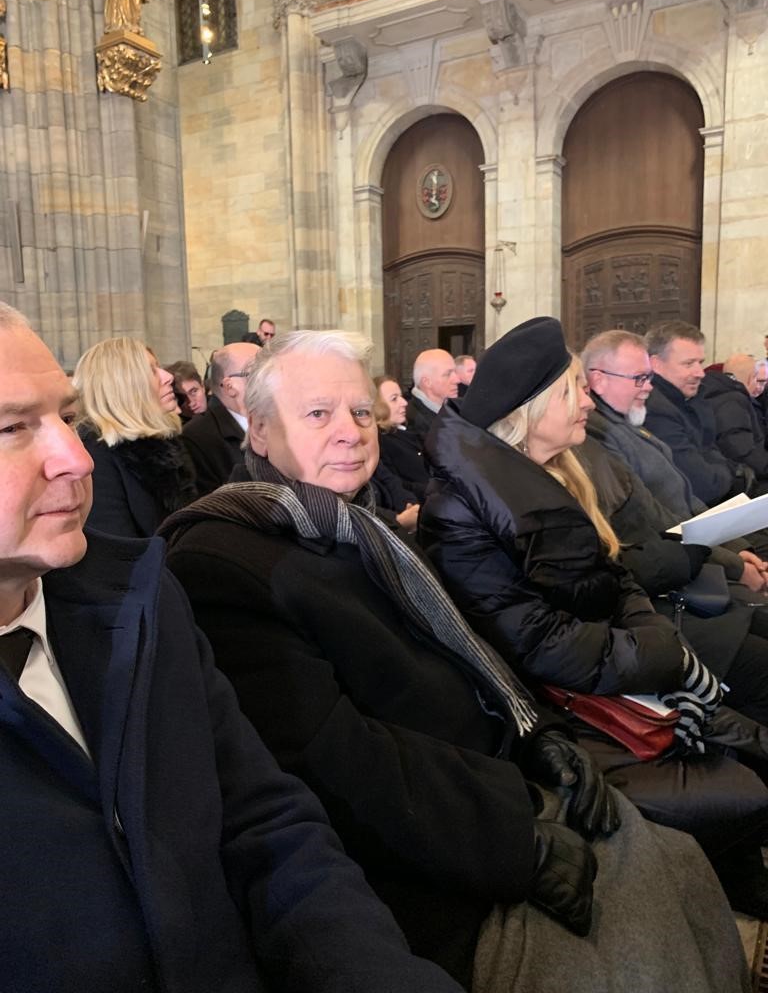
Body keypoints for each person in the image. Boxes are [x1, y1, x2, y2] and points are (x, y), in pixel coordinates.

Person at [163, 330, 751, 992]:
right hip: (423, 863)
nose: (350, 432)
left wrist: (540, 737)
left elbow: (467, 653)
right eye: (319, 414)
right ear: (262, 430)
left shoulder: (363, 527)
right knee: (640, 925)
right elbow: (335, 763)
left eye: (361, 412)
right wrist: (515, 841)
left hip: (487, 779)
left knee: (677, 865)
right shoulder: (223, 559)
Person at [0, 303, 465, 993]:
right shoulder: (217, 561)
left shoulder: (141, 597)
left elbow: (264, 819)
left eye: (68, 417)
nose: (75, 456)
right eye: (12, 428)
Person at [418, 316, 768, 915]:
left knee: (749, 737)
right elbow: (538, 644)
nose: (587, 402)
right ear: (532, 409)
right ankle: (726, 882)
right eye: (574, 390)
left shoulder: (551, 473)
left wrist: (652, 639)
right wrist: (657, 651)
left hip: (616, 657)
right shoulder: (464, 509)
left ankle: (732, 872)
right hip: (565, 700)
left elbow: (615, 575)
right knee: (744, 766)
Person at [582, 329, 768, 588]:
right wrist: (735, 565)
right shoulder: (599, 433)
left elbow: (687, 498)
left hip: (696, 551)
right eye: (639, 378)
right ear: (599, 379)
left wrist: (737, 549)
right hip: (677, 561)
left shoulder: (629, 421)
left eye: (648, 377)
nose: (649, 387)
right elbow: (651, 517)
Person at [74, 337, 196, 538]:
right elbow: (117, 548)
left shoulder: (163, 442)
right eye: (152, 370)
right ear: (121, 386)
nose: (168, 377)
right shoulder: (96, 459)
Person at [643, 321, 758, 505]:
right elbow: (702, 485)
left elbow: (711, 452)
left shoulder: (694, 398)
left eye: (700, 363)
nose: (700, 373)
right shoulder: (655, 410)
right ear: (656, 364)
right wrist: (734, 474)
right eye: (688, 364)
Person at [181, 343, 256, 496]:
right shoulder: (196, 438)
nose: (270, 380)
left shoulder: (276, 419)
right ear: (229, 386)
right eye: (257, 373)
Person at [701, 353, 768, 479]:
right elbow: (743, 452)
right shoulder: (733, 401)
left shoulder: (715, 394)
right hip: (744, 479)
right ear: (752, 377)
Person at [372, 374, 427, 513]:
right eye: (394, 399)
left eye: (401, 396)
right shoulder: (381, 441)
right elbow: (397, 484)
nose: (404, 402)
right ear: (377, 407)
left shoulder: (407, 431)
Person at [407, 348, 459, 440]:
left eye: (455, 372)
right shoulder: (416, 423)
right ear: (427, 382)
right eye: (447, 374)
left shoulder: (451, 406)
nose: (457, 380)